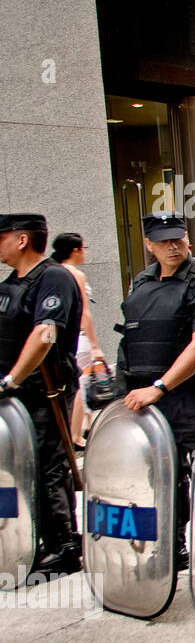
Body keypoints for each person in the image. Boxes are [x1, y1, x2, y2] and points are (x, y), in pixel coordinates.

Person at [116, 212, 195, 566]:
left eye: (178, 238)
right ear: (149, 245)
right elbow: (130, 339)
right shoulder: (142, 282)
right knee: (161, 476)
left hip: (191, 398)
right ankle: (172, 545)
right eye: (164, 240)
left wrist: (159, 387)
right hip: (148, 399)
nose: (173, 245)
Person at [0, 214, 84, 576]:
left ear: (21, 239)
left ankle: (63, 546)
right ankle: (33, 539)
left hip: (42, 390)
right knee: (20, 470)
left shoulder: (53, 277)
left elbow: (45, 333)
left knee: (49, 467)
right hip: (14, 396)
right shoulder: (10, 283)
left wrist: (12, 379)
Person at [50, 233, 104, 448]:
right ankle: (75, 435)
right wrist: (95, 345)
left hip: (61, 338)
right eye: (84, 248)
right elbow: (85, 314)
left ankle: (77, 430)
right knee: (80, 385)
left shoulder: (52, 272)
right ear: (75, 251)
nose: (85, 252)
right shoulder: (75, 274)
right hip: (79, 337)